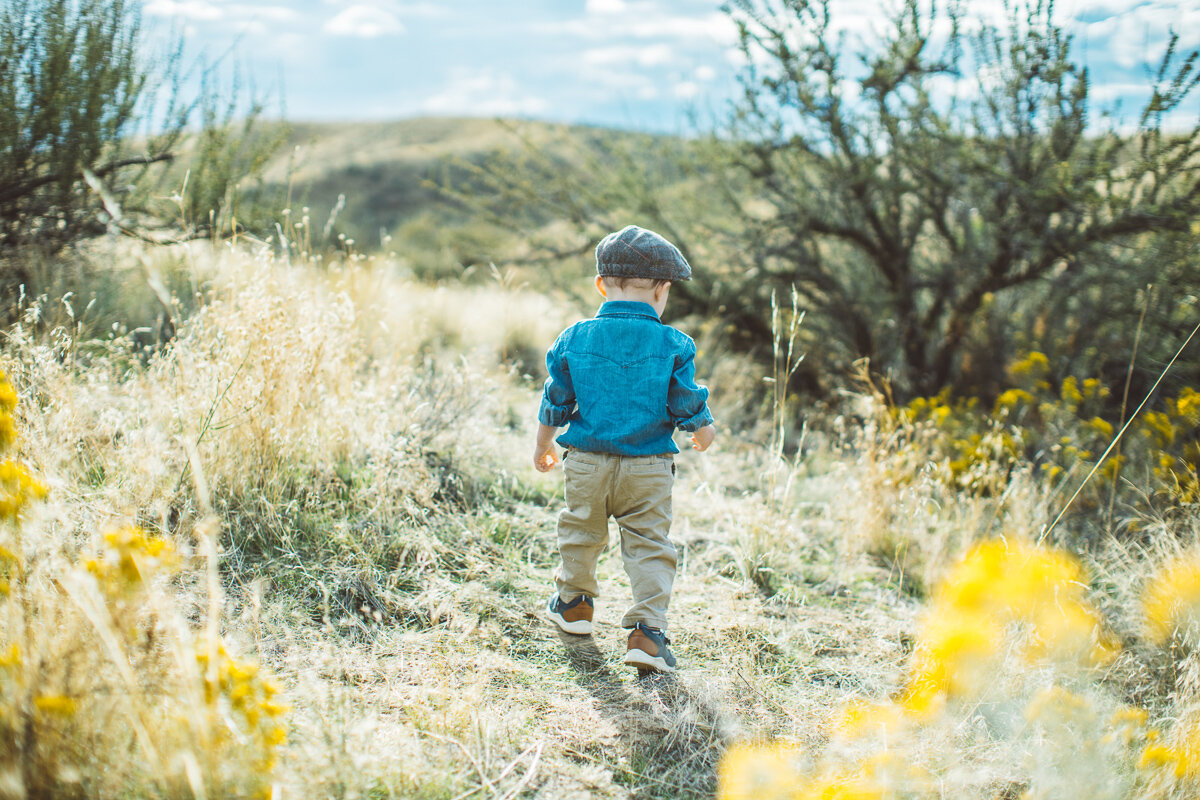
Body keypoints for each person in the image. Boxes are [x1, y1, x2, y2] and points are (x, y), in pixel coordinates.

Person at [533, 224, 717, 674]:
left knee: (581, 531)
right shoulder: (673, 343)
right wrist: (704, 428)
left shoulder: (575, 337)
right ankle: (647, 634)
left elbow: (555, 399)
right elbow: (684, 400)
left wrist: (542, 446)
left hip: (587, 466)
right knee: (650, 545)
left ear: (601, 284)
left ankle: (575, 606)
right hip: (648, 469)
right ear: (662, 289)